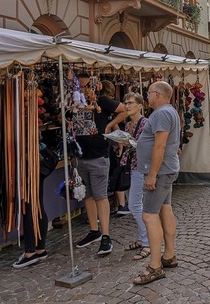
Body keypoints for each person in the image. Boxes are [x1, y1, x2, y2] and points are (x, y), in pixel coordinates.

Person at [133, 81, 181, 285]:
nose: (147, 96)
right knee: (165, 210)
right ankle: (169, 255)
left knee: (149, 215)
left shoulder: (161, 113)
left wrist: (152, 174)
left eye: (149, 93)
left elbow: (159, 145)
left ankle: (155, 266)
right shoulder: (170, 112)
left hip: (160, 173)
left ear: (158, 95)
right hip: (167, 169)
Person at [74, 76, 126, 255]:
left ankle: (106, 236)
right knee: (88, 195)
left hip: (98, 156)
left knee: (100, 196)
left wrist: (110, 126)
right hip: (82, 155)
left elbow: (124, 109)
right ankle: (94, 230)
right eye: (79, 85)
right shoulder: (76, 101)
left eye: (86, 85)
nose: (83, 89)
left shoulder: (102, 101)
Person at [119, 92, 150, 260]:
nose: (127, 105)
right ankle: (142, 238)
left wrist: (130, 143)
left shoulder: (145, 123)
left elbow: (147, 146)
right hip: (130, 165)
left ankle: (147, 242)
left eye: (131, 102)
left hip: (140, 167)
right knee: (138, 204)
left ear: (140, 105)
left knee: (134, 205)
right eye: (125, 102)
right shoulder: (128, 125)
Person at [12, 141, 50, 268]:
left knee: (29, 208)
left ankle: (30, 252)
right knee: (37, 205)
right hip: (34, 165)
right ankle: (40, 249)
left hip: (29, 166)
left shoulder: (24, 128)